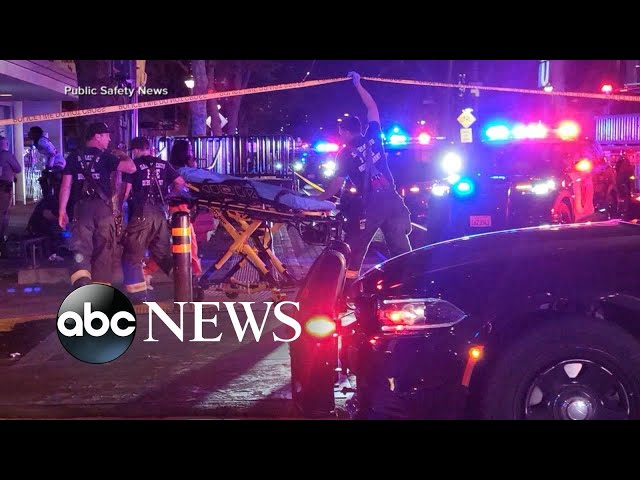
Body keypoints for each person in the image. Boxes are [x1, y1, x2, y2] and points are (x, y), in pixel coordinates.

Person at [317, 71, 412, 293]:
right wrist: (358, 84)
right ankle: (408, 285)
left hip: (371, 207)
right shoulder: (373, 138)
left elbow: (336, 184)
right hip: (393, 202)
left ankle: (348, 290)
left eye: (340, 131)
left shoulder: (344, 155)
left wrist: (319, 199)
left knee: (356, 248)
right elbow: (372, 107)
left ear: (344, 131)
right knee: (400, 249)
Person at [58, 122, 136, 288]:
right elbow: (131, 168)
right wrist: (123, 155)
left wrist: (62, 210)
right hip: (103, 209)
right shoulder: (107, 156)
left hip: (81, 209)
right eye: (106, 135)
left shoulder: (73, 157)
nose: (109, 139)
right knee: (104, 250)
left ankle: (82, 284)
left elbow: (66, 186)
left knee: (81, 248)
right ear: (97, 136)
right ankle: (100, 290)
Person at [120, 136, 185, 301]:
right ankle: (187, 283)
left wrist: (118, 209)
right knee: (162, 254)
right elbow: (180, 182)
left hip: (141, 213)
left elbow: (126, 192)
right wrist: (169, 196)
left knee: (132, 254)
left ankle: (137, 294)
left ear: (135, 150)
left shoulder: (133, 165)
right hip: (160, 213)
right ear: (149, 148)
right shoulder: (163, 164)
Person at [143, 138, 203, 288]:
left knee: (168, 245)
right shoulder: (180, 170)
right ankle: (193, 274)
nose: (192, 153)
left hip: (178, 209)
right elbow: (181, 186)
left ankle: (147, 271)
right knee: (187, 243)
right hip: (179, 209)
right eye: (189, 150)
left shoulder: (175, 168)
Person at [0, 136, 21, 243]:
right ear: (6, 144)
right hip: (4, 187)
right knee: (3, 212)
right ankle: (1, 238)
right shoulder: (7, 155)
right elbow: (18, 168)